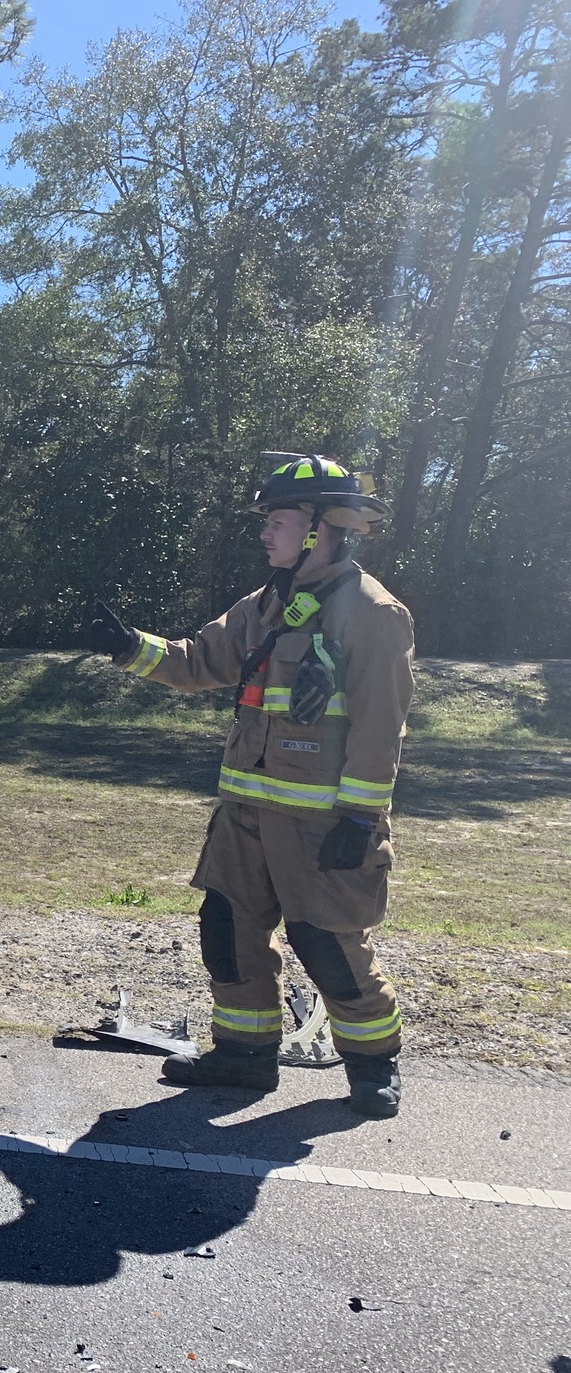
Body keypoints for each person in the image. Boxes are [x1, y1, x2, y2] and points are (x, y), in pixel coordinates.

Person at [84, 455, 413, 1118]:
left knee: (329, 942)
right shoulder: (263, 606)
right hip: (244, 818)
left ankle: (374, 1066)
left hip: (322, 826)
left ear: (322, 528)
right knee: (226, 929)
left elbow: (382, 726)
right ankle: (244, 1057)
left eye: (279, 520)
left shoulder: (373, 613)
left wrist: (359, 818)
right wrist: (127, 646)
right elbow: (198, 661)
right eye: (267, 520)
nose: (267, 533)